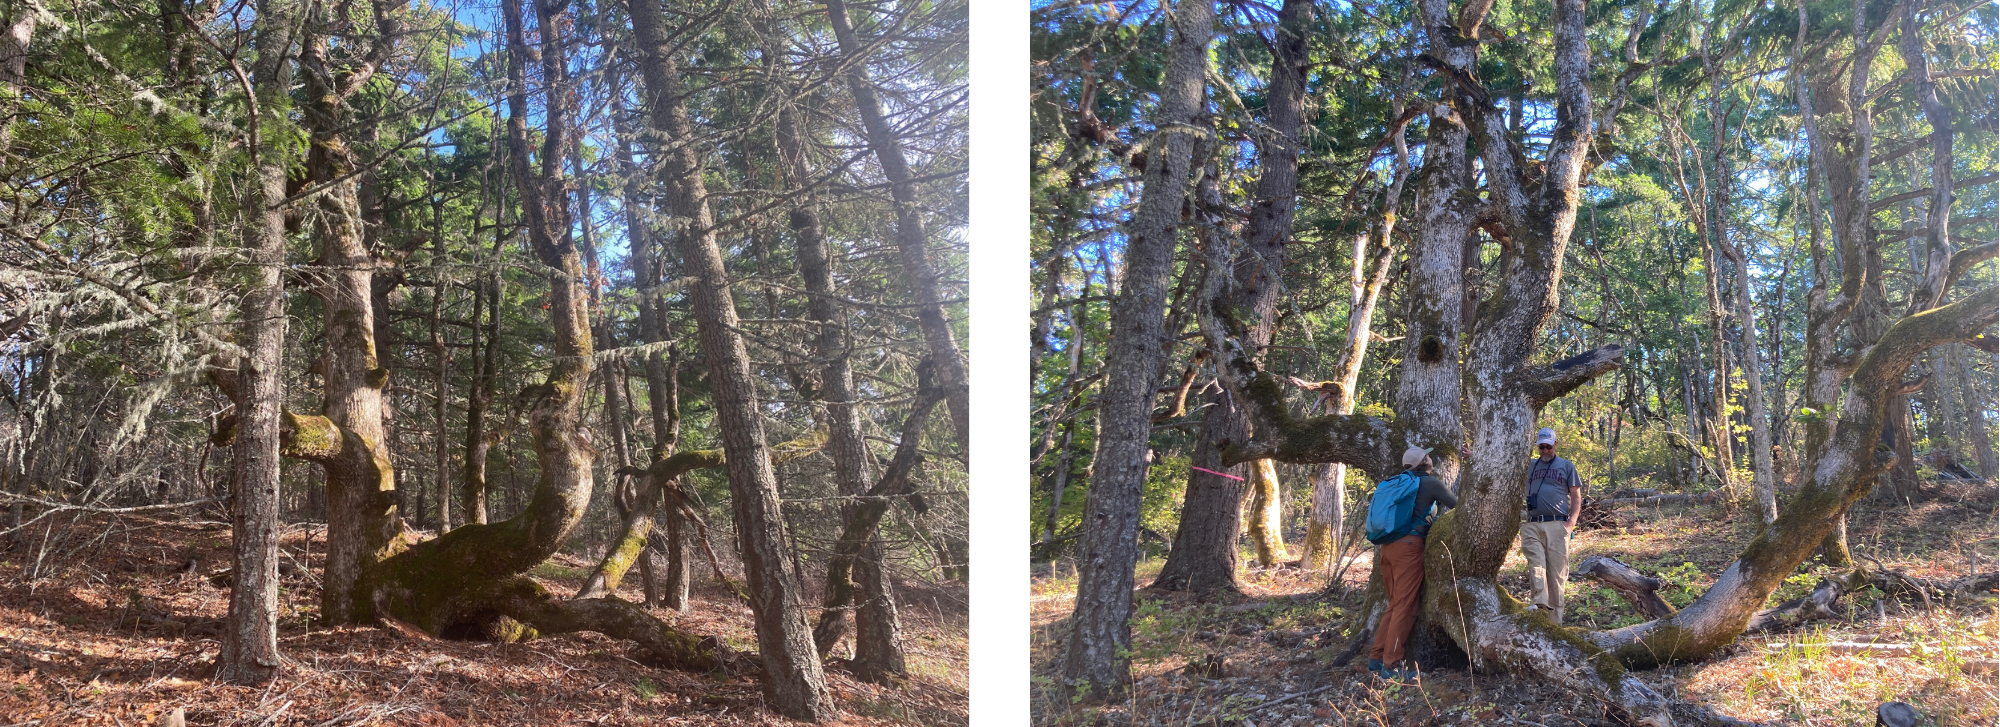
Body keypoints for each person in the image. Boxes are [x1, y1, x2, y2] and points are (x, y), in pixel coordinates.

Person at [1367, 445, 1457, 680]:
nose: (1431, 457)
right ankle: (1391, 666)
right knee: (1405, 607)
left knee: (1394, 603)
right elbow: (1458, 505)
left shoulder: (1395, 482)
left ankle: (1377, 658)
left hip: (1387, 548)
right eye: (1428, 455)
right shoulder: (1430, 483)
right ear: (1423, 462)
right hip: (1409, 547)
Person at [1519, 427, 1582, 623]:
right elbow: (1499, 465)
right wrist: (1474, 456)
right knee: (1536, 564)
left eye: (1548, 446)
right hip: (1532, 524)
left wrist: (1571, 523)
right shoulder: (1528, 466)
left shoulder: (1566, 466)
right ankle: (1539, 606)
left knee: (1556, 576)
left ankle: (1554, 624)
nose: (1545, 450)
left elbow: (1576, 496)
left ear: (1555, 444)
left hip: (1557, 524)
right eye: (1541, 447)